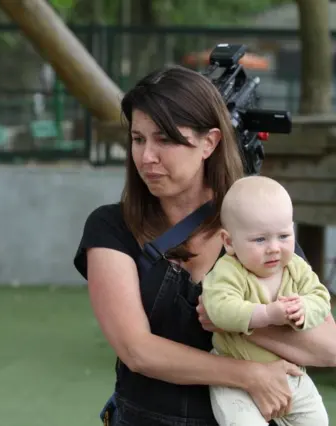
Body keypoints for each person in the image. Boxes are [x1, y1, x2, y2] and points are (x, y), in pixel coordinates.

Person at [73, 65, 336, 426]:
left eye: (164, 139)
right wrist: (248, 374)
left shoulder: (254, 223)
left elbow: (327, 346)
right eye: (138, 139)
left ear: (209, 143)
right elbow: (138, 351)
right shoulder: (110, 227)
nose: (147, 157)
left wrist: (233, 318)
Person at [202, 175, 330, 426]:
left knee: (317, 419)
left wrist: (304, 308)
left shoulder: (295, 267)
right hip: (234, 375)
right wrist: (266, 315)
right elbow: (218, 308)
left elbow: (320, 297)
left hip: (288, 372)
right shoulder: (228, 270)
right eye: (260, 239)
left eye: (283, 236)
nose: (274, 248)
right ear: (229, 242)